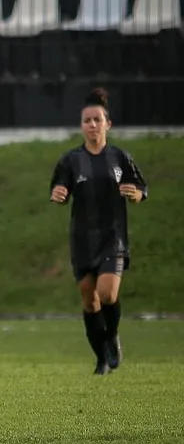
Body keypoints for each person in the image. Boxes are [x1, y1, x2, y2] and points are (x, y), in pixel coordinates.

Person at [50, 88, 147, 375]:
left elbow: (142, 188)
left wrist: (137, 194)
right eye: (87, 121)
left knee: (106, 293)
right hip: (82, 238)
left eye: (97, 120)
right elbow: (60, 189)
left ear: (108, 124)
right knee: (88, 297)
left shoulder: (119, 157)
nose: (92, 125)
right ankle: (101, 357)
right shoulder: (70, 160)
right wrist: (58, 193)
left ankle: (112, 336)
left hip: (112, 236)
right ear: (81, 126)